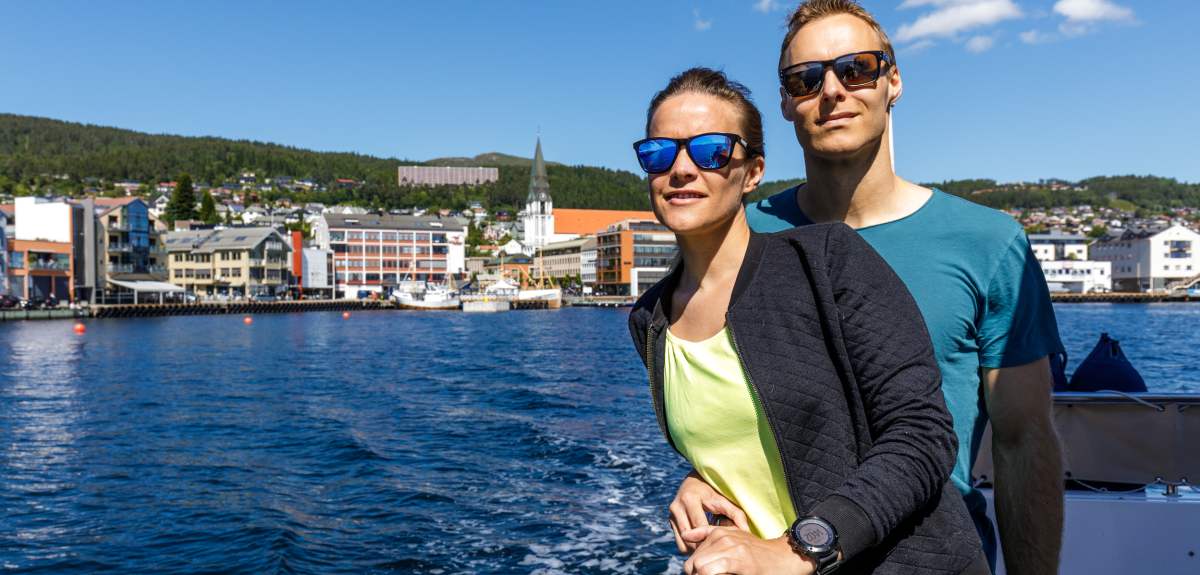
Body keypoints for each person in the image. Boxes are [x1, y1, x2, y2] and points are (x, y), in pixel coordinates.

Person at [688, 1, 1062, 572]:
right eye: (806, 78)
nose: (832, 90)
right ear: (787, 102)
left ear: (894, 82)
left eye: (857, 68)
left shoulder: (986, 243)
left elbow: (1023, 441)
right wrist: (696, 478)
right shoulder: (744, 239)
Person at [628, 67, 988, 574]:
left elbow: (922, 436)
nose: (681, 168)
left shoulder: (824, 262)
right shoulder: (651, 317)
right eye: (660, 152)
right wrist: (701, 477)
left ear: (752, 172)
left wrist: (800, 548)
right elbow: (752, 433)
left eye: (710, 150)